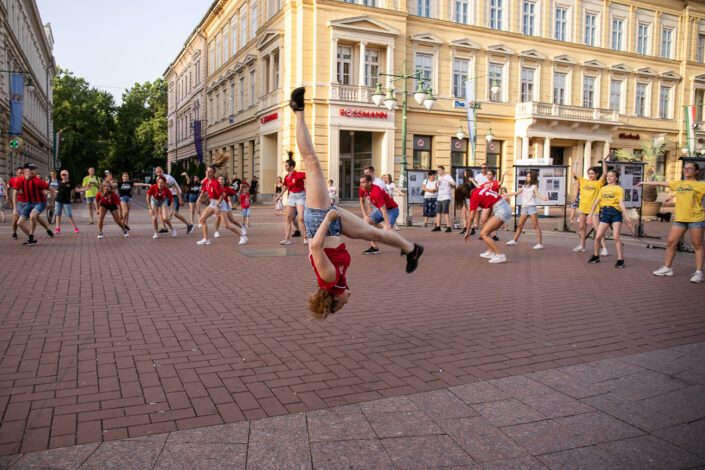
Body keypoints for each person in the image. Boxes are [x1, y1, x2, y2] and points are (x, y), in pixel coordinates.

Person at [289, 87, 422, 319]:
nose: (346, 304)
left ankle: (298, 110)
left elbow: (314, 246)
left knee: (311, 163)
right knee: (374, 233)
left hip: (321, 220)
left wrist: (328, 219)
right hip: (333, 226)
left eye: (340, 307)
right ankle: (412, 250)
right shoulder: (338, 283)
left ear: (334, 300)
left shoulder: (330, 279)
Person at [640, 161, 705, 283]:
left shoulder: (701, 185)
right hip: (680, 219)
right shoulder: (679, 183)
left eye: (690, 168)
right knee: (671, 242)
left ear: (696, 171)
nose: (686, 170)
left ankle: (699, 273)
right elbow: (661, 183)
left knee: (697, 245)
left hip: (696, 219)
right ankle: (667, 268)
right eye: (685, 168)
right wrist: (644, 182)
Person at [587, 169, 633, 267]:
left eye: (611, 176)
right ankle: (596, 256)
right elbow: (595, 202)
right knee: (598, 236)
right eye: (607, 176)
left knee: (616, 236)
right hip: (606, 213)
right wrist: (590, 214)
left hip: (616, 213)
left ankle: (620, 259)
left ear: (616, 178)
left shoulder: (619, 189)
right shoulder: (603, 189)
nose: (608, 178)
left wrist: (627, 217)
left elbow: (621, 203)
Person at [463, 184, 512, 264]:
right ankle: (490, 252)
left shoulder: (474, 197)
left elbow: (471, 217)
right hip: (503, 206)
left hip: (501, 210)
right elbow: (491, 200)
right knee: (485, 230)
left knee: (483, 234)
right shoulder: (479, 190)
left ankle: (500, 255)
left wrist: (467, 231)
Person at [197, 166, 245, 245]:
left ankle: (242, 236)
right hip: (212, 203)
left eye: (210, 171)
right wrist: (199, 199)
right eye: (207, 171)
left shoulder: (215, 183)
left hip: (220, 203)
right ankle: (206, 239)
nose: (208, 173)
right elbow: (203, 191)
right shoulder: (206, 181)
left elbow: (223, 195)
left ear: (213, 173)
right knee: (202, 219)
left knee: (225, 225)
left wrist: (217, 205)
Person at [504, 171, 550, 249]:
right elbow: (515, 193)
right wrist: (505, 194)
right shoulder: (524, 186)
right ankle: (514, 240)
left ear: (532, 178)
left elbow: (537, 194)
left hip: (532, 207)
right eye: (527, 176)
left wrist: (544, 198)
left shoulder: (534, 186)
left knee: (535, 225)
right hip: (525, 207)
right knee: (519, 225)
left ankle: (539, 244)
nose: (527, 177)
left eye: (529, 176)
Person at [572, 158, 608, 254]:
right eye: (589, 173)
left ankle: (604, 248)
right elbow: (574, 172)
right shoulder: (584, 181)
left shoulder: (598, 183)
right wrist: (576, 163)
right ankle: (582, 245)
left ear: (596, 174)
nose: (590, 175)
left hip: (593, 209)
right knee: (582, 227)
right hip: (583, 208)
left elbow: (605, 174)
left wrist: (604, 162)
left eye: (592, 173)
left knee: (597, 228)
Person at [15, 163, 55, 245]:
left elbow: (52, 190)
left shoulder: (37, 181)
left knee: (33, 216)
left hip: (39, 202)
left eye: (34, 169)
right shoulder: (20, 180)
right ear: (24, 170)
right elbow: (15, 193)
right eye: (30, 169)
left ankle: (31, 238)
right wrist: (15, 209)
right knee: (19, 223)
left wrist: (51, 203)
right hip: (28, 203)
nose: (33, 171)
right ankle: (38, 235)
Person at [277, 154, 306, 245]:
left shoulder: (299, 174)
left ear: (292, 166)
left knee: (301, 218)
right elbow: (286, 187)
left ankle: (306, 237)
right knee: (288, 218)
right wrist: (279, 196)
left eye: (287, 166)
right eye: (285, 166)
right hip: (291, 197)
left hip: (300, 196)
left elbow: (309, 176)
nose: (285, 167)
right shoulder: (287, 177)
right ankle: (287, 238)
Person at [154, 167, 193, 235]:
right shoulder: (158, 179)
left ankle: (189, 225)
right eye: (157, 172)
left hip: (175, 195)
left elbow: (176, 188)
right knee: (160, 210)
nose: (159, 173)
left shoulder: (168, 178)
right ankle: (164, 228)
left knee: (175, 213)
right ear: (155, 173)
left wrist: (180, 199)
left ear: (163, 171)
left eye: (160, 171)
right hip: (168, 195)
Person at [359, 166, 387, 254]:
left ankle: (386, 236)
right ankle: (374, 246)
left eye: (367, 173)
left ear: (372, 173)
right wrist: (365, 214)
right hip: (375, 204)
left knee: (370, 224)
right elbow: (363, 200)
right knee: (370, 223)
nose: (365, 175)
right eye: (364, 173)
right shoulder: (364, 184)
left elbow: (386, 196)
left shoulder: (379, 183)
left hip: (383, 206)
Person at [214, 176, 247, 243]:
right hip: (219, 204)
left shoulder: (227, 189)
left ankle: (242, 228)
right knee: (218, 218)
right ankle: (216, 232)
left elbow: (235, 194)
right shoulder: (216, 188)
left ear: (224, 181)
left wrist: (238, 201)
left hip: (226, 205)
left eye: (222, 179)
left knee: (231, 220)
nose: (220, 181)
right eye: (219, 179)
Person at [431, 166, 456, 232]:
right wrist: (435, 184)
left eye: (439, 170)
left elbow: (454, 183)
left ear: (443, 170)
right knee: (438, 212)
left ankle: (448, 227)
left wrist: (451, 184)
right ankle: (438, 226)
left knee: (445, 212)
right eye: (438, 170)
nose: (438, 171)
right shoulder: (439, 178)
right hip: (439, 197)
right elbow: (437, 188)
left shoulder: (448, 176)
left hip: (446, 196)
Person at [456, 169, 478, 235]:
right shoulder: (464, 181)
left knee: (469, 215)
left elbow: (476, 189)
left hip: (469, 199)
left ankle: (472, 229)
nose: (464, 174)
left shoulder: (472, 181)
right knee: (463, 214)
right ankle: (465, 228)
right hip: (464, 199)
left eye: (465, 173)